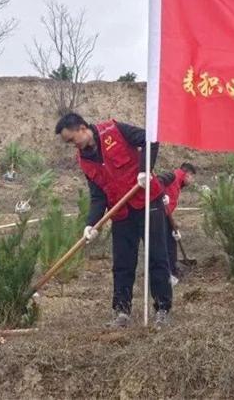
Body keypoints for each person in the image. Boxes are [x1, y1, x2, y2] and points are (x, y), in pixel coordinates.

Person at [55, 112, 172, 328]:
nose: (73, 145)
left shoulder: (114, 130)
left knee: (156, 256)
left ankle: (163, 308)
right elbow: (98, 196)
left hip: (147, 200)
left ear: (82, 128)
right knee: (122, 263)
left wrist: (144, 171)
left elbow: (151, 139)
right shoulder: (84, 161)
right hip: (121, 211)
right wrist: (91, 224)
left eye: (72, 139)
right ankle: (122, 311)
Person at [157, 162, 197, 283]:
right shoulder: (173, 177)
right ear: (188, 174)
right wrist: (161, 195)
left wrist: (174, 226)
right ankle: (167, 272)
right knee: (165, 243)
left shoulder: (178, 183)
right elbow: (158, 181)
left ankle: (172, 269)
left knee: (172, 240)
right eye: (193, 177)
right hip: (158, 214)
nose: (193, 181)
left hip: (165, 214)